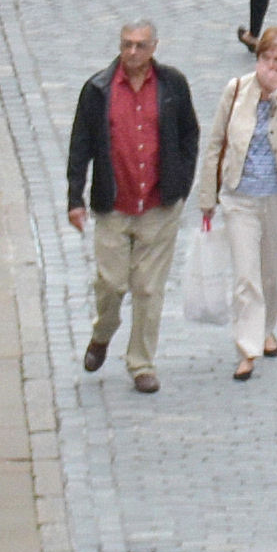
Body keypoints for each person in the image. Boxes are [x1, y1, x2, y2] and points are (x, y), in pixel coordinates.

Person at [69, 22, 202, 393]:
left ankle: (141, 362)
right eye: (127, 45)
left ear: (154, 47)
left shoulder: (172, 85)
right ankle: (103, 333)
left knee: (148, 288)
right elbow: (80, 145)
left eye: (140, 46)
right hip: (114, 204)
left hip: (160, 205)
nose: (132, 52)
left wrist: (183, 181)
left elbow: (190, 133)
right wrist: (74, 198)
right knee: (111, 282)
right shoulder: (98, 89)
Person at [206, 28, 277, 379]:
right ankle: (247, 347)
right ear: (257, 59)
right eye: (266, 59)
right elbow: (216, 142)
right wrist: (208, 195)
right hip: (240, 195)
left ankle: (266, 328)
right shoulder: (236, 89)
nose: (271, 67)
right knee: (245, 276)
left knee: (271, 270)